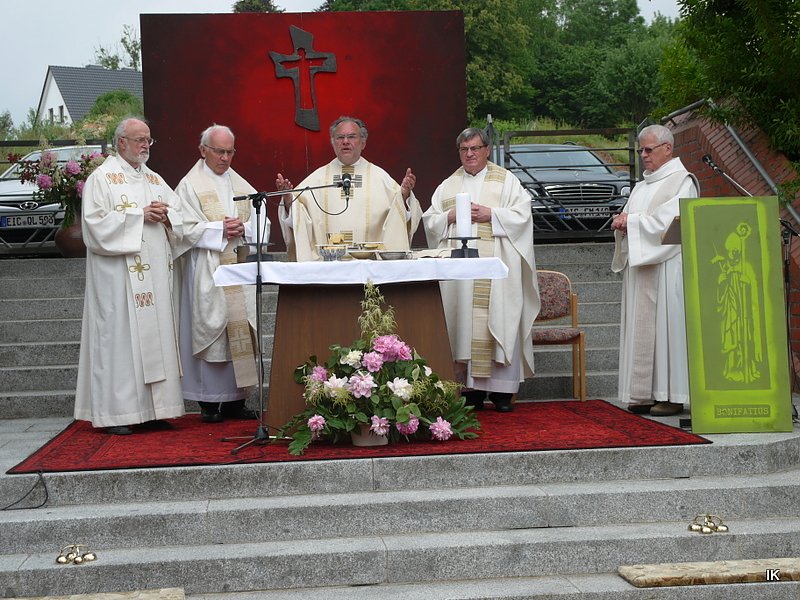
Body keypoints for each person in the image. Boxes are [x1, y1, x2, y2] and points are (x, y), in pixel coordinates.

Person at [74, 117, 185, 435]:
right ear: (121, 142)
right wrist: (140, 215)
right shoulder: (102, 179)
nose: (146, 145)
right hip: (119, 281)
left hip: (155, 280)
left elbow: (180, 212)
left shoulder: (153, 178)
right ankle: (118, 414)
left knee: (156, 339)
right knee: (121, 343)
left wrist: (167, 216)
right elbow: (94, 227)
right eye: (140, 140)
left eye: (149, 140)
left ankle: (155, 410)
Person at [423, 127, 540, 412]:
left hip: (496, 270)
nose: (470, 154)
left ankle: (501, 393)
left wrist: (493, 215)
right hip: (461, 277)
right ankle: (470, 391)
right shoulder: (448, 185)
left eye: (475, 148)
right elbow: (430, 220)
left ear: (487, 150)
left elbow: (523, 215)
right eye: (464, 150)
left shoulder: (506, 181)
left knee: (498, 318)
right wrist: (448, 217)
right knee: (463, 321)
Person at [174, 125, 266, 423]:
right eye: (219, 151)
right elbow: (180, 229)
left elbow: (261, 224)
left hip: (236, 266)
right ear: (203, 150)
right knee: (212, 331)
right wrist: (218, 230)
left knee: (238, 331)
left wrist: (245, 229)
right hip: (207, 268)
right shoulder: (189, 185)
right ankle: (209, 402)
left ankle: (237, 400)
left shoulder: (240, 184)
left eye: (230, 152)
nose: (225, 158)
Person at [611, 124, 699, 416]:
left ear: (667, 148)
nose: (643, 155)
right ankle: (644, 393)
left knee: (666, 331)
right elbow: (636, 217)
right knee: (644, 329)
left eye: (649, 150)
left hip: (667, 267)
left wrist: (631, 222)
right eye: (641, 150)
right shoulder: (642, 186)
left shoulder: (682, 182)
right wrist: (623, 221)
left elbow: (674, 223)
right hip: (642, 267)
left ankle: (671, 396)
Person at [276, 116, 422, 261]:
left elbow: (400, 215)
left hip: (369, 264)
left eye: (352, 137)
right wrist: (289, 199)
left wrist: (404, 196)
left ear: (363, 143)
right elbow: (298, 215)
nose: (345, 141)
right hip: (328, 265)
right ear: (333, 142)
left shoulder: (380, 177)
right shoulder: (317, 179)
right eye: (340, 137)